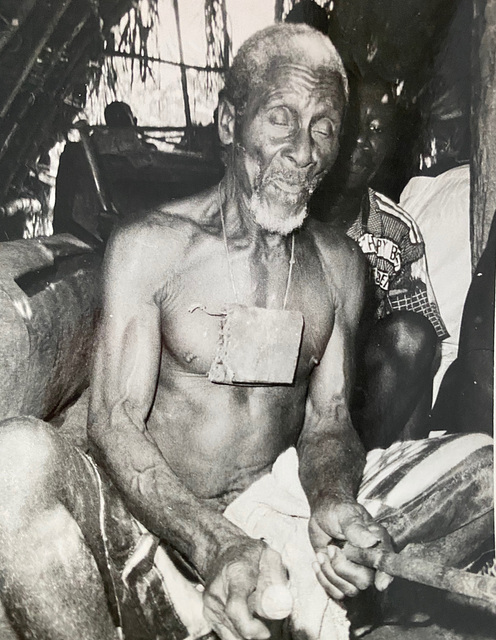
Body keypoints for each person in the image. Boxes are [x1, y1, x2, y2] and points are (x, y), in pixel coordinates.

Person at [0, 24, 492, 640]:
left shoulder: (338, 265)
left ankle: (317, 602)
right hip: (164, 533)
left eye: (323, 127)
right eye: (281, 119)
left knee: (488, 470)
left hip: (275, 510)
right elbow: (114, 425)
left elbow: (330, 422)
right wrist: (216, 546)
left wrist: (333, 501)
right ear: (229, 123)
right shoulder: (152, 249)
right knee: (14, 462)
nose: (305, 150)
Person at [311, 76, 448, 450]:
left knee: (417, 337)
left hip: (362, 401)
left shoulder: (397, 231)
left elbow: (421, 347)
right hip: (292, 388)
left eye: (377, 129)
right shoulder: (290, 212)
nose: (361, 141)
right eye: (353, 125)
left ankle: (394, 472)